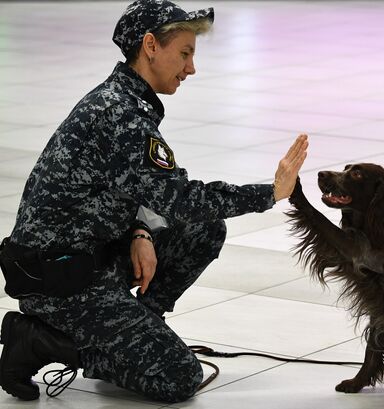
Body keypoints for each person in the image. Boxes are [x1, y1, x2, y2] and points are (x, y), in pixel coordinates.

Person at [0, 0, 308, 403]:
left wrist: (141, 231)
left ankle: (136, 332)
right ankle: (40, 341)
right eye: (184, 53)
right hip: (62, 281)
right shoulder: (120, 115)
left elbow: (139, 191)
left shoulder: (125, 101)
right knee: (179, 377)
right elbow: (180, 200)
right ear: (150, 46)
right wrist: (270, 192)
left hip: (87, 256)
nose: (191, 68)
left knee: (204, 230)